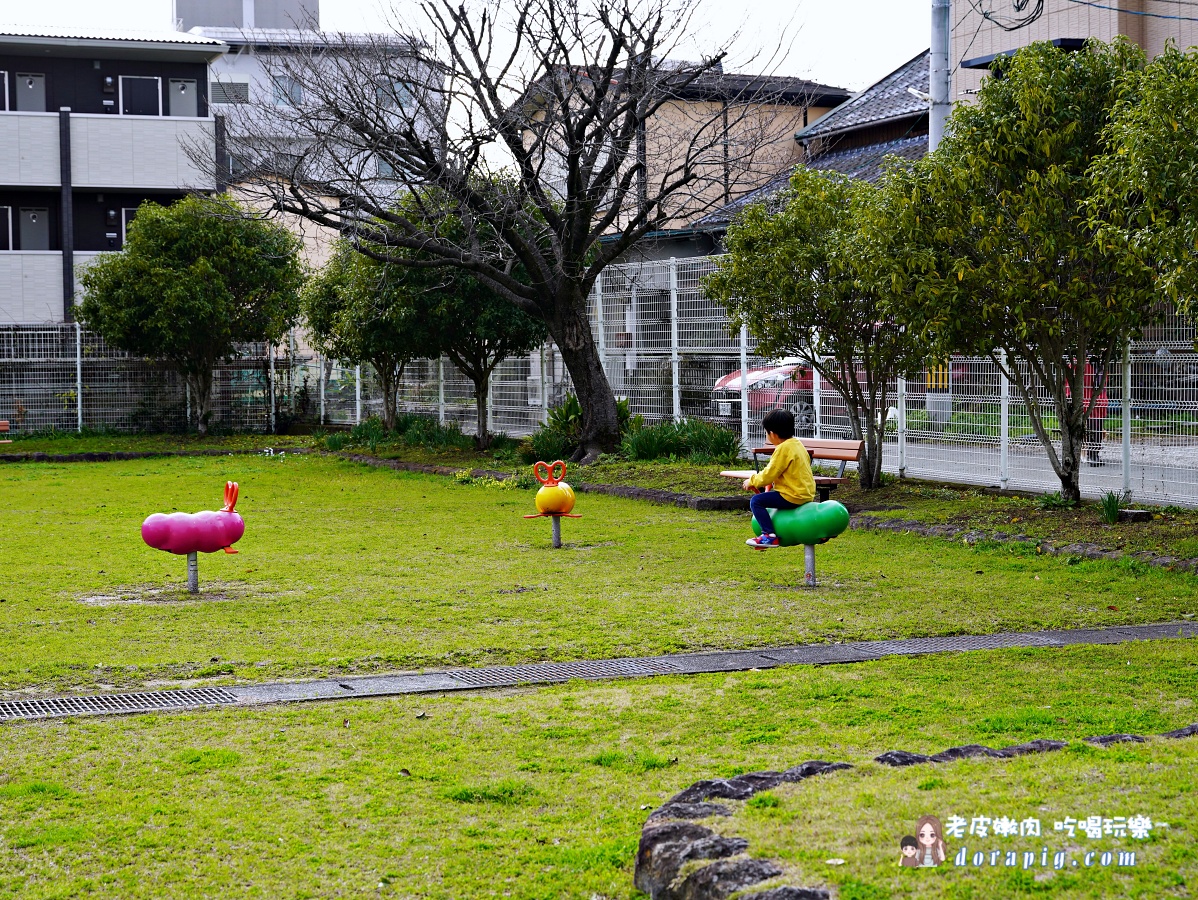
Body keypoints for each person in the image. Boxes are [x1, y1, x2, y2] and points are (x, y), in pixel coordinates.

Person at [742, 408, 816, 549]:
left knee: (756, 501)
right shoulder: (797, 444)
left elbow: (769, 474)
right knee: (766, 498)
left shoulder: (783, 449)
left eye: (766, 432)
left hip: (791, 495)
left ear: (773, 434)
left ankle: (768, 535)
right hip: (806, 494)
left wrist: (751, 481)